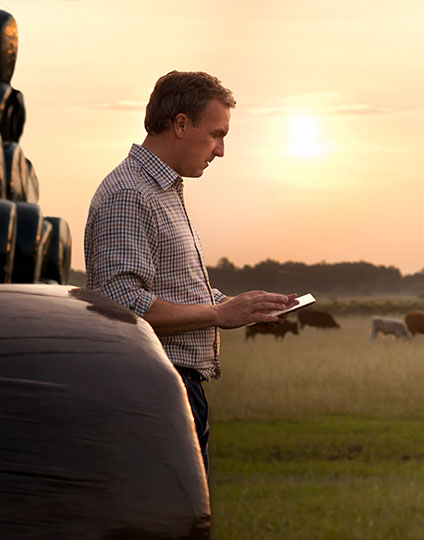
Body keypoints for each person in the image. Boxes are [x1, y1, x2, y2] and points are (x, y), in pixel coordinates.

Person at [84, 71, 297, 473]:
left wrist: (238, 306)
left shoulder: (160, 191)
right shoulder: (131, 195)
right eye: (217, 134)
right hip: (152, 391)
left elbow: (167, 291)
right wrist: (217, 315)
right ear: (180, 124)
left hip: (170, 389)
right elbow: (123, 308)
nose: (220, 151)